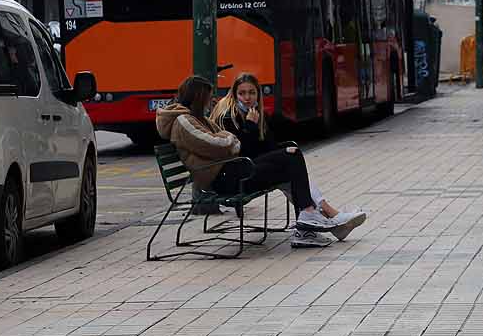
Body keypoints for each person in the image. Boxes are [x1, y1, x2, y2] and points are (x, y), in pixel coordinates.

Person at [154, 76, 352, 250]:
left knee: (292, 154)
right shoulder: (184, 121)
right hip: (224, 180)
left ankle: (308, 220)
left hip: (232, 170)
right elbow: (219, 143)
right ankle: (309, 222)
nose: (210, 101)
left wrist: (239, 135)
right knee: (290, 157)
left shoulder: (198, 118)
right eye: (207, 97)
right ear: (198, 97)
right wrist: (236, 135)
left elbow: (234, 142)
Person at [211, 72, 366, 246]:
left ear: (258, 94)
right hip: (236, 177)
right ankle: (320, 217)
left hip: (250, 170)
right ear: (234, 94)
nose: (247, 97)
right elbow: (242, 151)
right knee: (292, 157)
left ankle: (314, 223)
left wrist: (261, 127)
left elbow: (267, 148)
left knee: (291, 159)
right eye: (242, 93)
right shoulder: (228, 117)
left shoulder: (254, 114)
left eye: (252, 93)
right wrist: (251, 125)